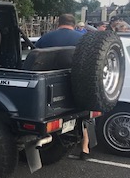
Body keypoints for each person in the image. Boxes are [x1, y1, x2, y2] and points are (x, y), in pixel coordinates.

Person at [35, 13, 90, 159]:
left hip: (49, 85)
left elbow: (35, 56)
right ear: (74, 24)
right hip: (75, 82)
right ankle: (85, 147)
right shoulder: (82, 39)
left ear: (58, 23)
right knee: (82, 115)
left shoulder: (46, 37)